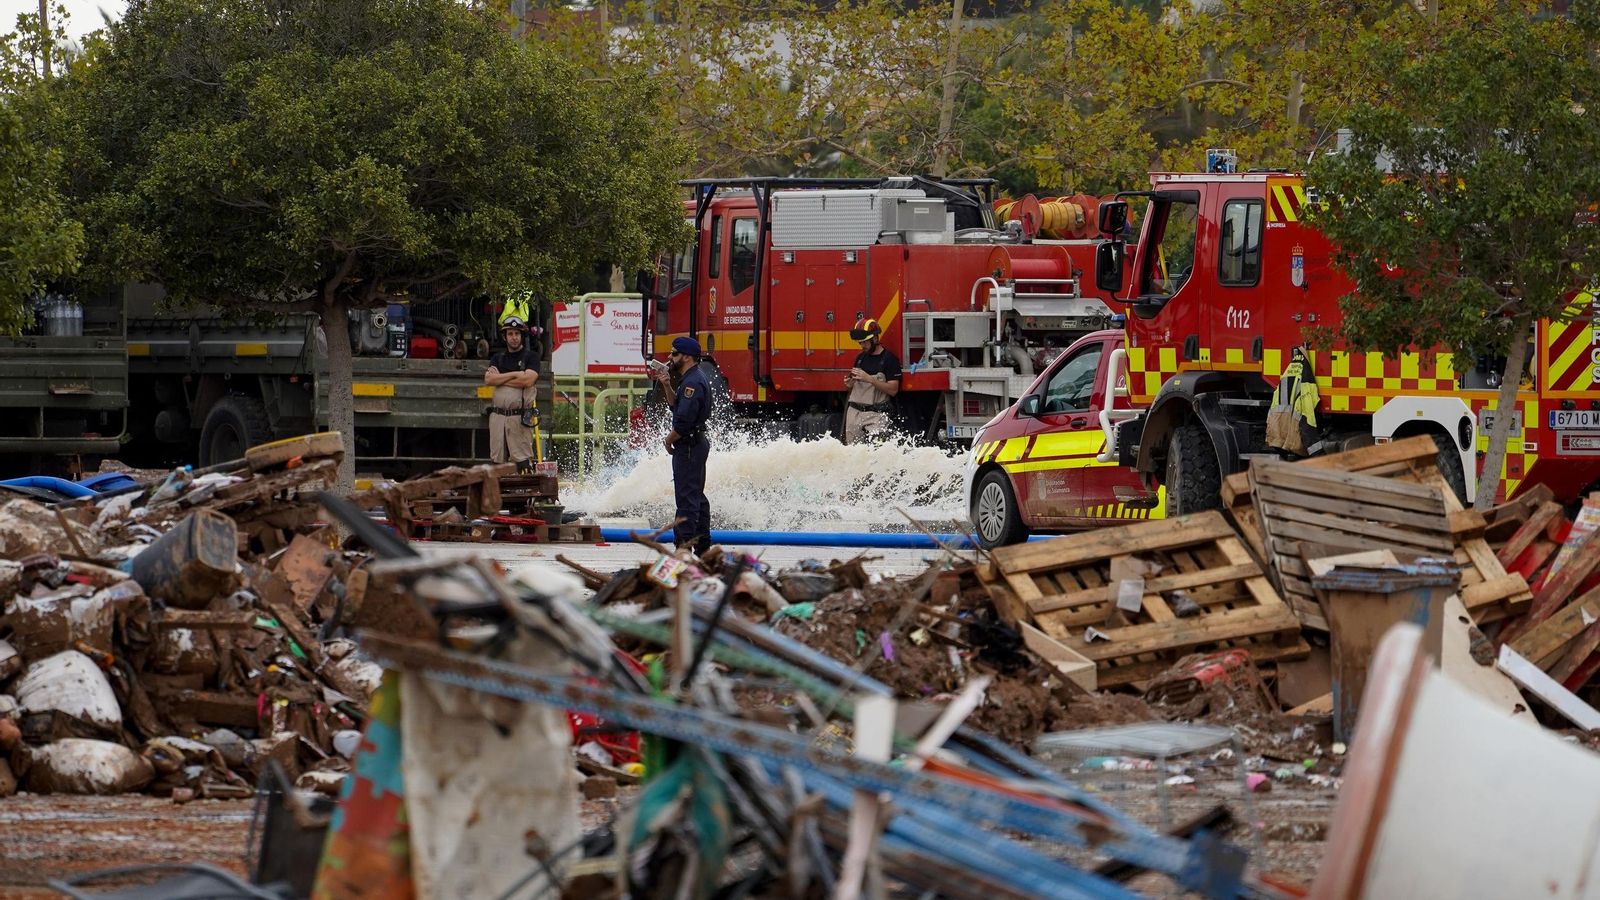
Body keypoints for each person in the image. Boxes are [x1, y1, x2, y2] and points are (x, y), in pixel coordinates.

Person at [650, 335, 712, 555]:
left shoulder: (692, 382)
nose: (670, 357)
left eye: (674, 353)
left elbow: (683, 422)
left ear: (686, 357)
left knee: (687, 499)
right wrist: (667, 385)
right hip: (693, 444)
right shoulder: (691, 378)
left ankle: (683, 549)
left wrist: (669, 440)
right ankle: (703, 549)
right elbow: (676, 406)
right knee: (697, 497)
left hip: (689, 446)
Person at [485, 314, 541, 467]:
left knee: (522, 463)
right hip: (498, 419)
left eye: (517, 333)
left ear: (522, 336)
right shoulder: (497, 358)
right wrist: (516, 374)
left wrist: (500, 379)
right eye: (510, 334)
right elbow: (489, 380)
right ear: (505, 337)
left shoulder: (531, 357)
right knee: (497, 464)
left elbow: (528, 380)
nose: (514, 337)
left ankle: (524, 483)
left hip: (519, 418)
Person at [843, 317, 900, 444]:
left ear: (874, 339)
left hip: (877, 414)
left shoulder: (889, 359)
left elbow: (893, 390)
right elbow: (852, 389)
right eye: (860, 343)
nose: (862, 346)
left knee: (878, 450)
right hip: (855, 413)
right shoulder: (860, 358)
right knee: (853, 452)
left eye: (864, 342)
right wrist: (849, 385)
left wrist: (870, 379)